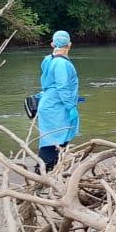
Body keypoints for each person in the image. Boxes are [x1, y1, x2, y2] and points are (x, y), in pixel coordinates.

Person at [36, 30, 79, 171]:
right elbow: (62, 86)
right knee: (54, 141)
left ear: (52, 44)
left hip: (49, 103)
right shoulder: (61, 63)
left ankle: (50, 171)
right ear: (70, 44)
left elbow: (50, 84)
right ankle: (44, 172)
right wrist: (71, 106)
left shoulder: (48, 60)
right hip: (57, 106)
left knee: (51, 139)